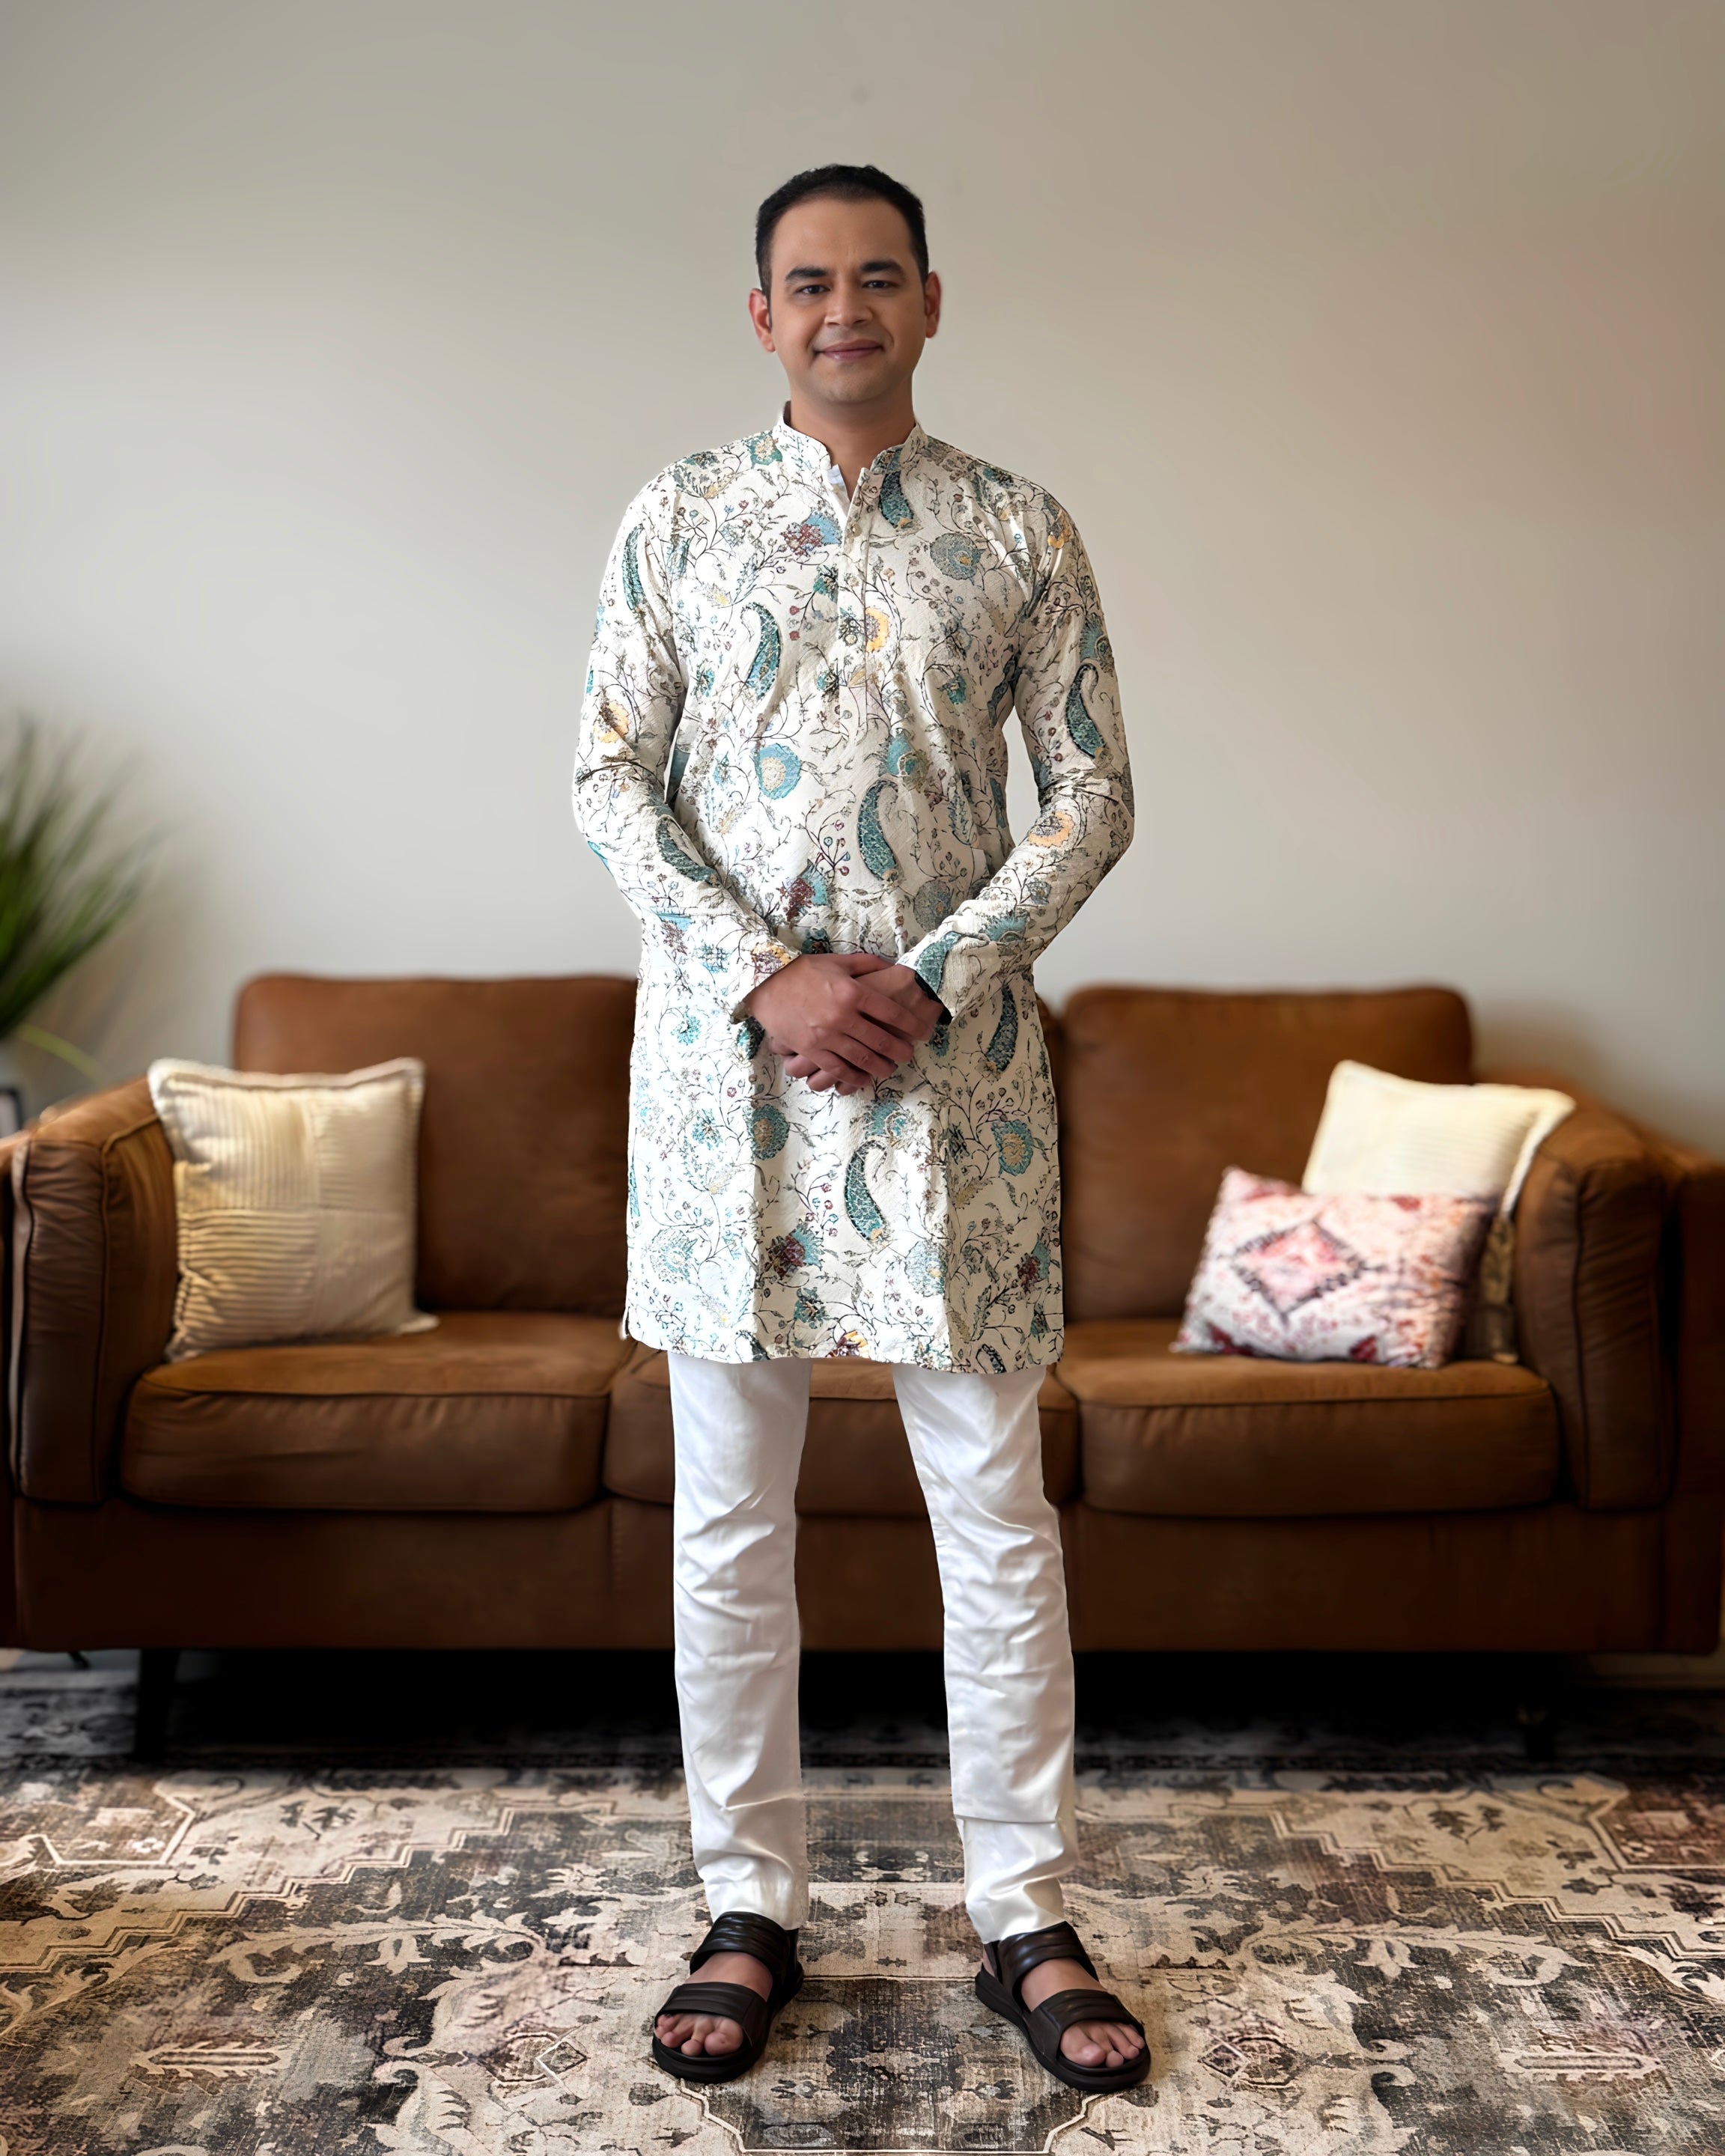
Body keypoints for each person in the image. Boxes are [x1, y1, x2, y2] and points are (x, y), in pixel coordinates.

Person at [572, 163, 1143, 2096]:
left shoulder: (1020, 528)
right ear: (762, 313)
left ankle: (1025, 1913)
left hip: (948, 1086)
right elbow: (609, 779)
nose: (844, 309)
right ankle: (749, 1907)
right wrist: (769, 978)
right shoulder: (675, 518)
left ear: (929, 300)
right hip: (726, 1085)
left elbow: (1091, 794)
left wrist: (935, 975)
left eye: (876, 276)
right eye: (808, 281)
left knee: (993, 1510)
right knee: (731, 1519)